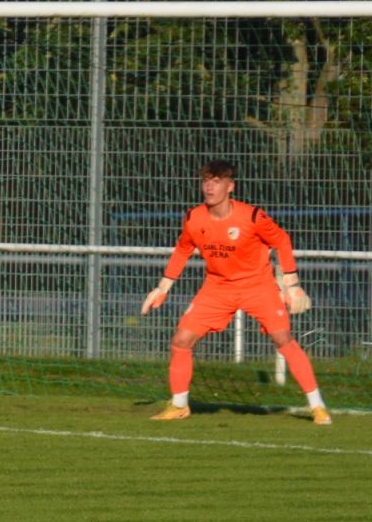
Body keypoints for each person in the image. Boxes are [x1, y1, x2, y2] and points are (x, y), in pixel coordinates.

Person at [140, 159, 329, 425]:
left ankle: (317, 406)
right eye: (206, 181)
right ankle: (179, 405)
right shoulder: (194, 217)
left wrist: (292, 284)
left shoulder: (252, 216)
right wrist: (163, 287)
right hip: (217, 287)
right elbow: (183, 249)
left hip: (258, 286)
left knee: (282, 338)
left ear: (230, 186)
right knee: (181, 340)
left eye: (217, 182)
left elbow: (281, 240)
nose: (209, 187)